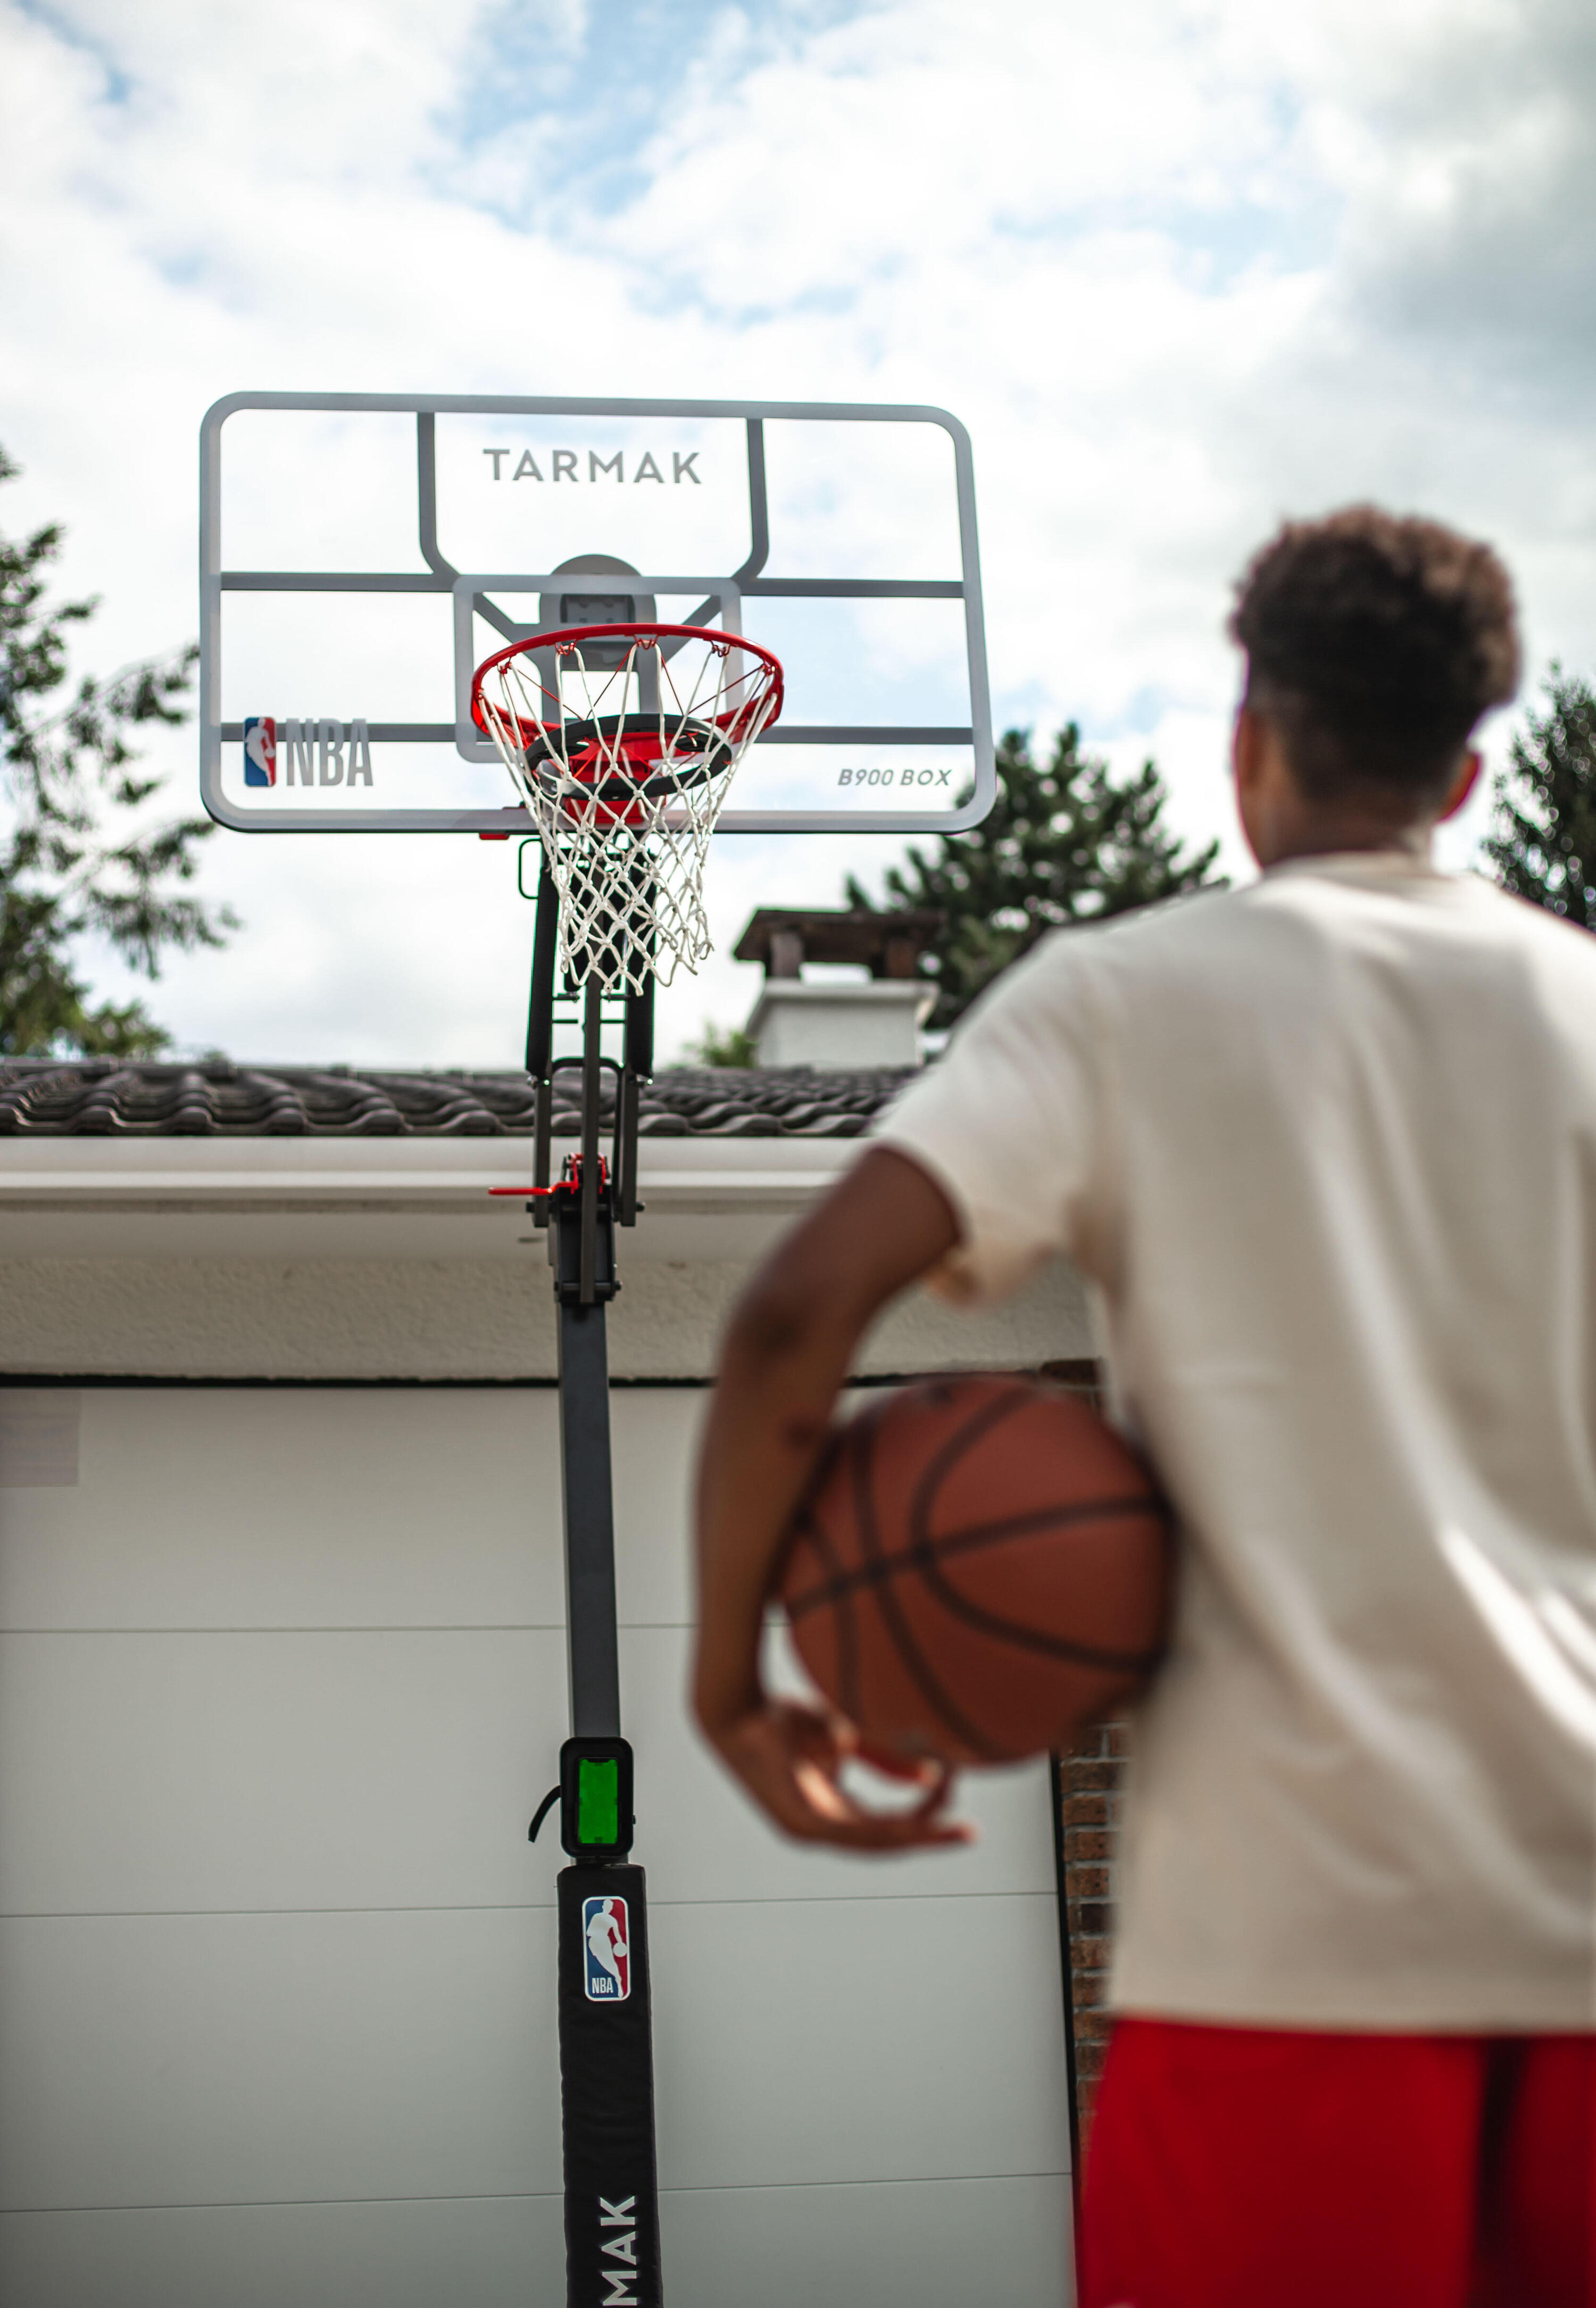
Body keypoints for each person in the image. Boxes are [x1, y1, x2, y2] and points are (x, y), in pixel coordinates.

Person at [691, 506, 1595, 2306]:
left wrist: (732, 1684)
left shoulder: (1120, 996)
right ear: (1473, 771)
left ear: (1248, 739)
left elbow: (799, 1304)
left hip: (1284, 1948)